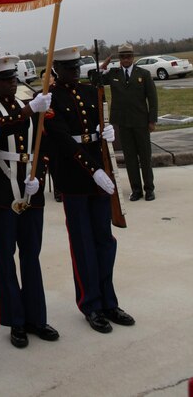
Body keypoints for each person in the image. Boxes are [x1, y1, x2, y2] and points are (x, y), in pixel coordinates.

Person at [44, 45, 135, 333]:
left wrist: (106, 133)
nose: (73, 73)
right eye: (68, 69)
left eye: (76, 68)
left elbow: (96, 125)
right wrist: (92, 169)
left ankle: (109, 301)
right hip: (75, 179)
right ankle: (91, 304)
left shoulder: (87, 91)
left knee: (104, 241)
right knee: (83, 244)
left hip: (99, 176)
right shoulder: (50, 99)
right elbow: (63, 141)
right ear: (57, 69)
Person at [0, 56, 58, 349]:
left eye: (14, 79)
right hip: (2, 191)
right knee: (5, 257)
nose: (12, 83)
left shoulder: (27, 105)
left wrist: (41, 172)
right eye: (6, 79)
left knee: (31, 255)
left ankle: (37, 316)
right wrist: (29, 111)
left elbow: (42, 143)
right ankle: (15, 321)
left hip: (30, 187)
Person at [96, 43, 158, 202]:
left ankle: (149, 189)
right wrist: (103, 66)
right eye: (122, 57)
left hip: (141, 122)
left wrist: (152, 120)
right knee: (129, 158)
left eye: (128, 56)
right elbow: (95, 81)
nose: (126, 59)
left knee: (145, 156)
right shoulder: (114, 74)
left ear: (133, 57)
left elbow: (152, 99)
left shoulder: (143, 74)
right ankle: (136, 189)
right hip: (123, 122)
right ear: (119, 59)